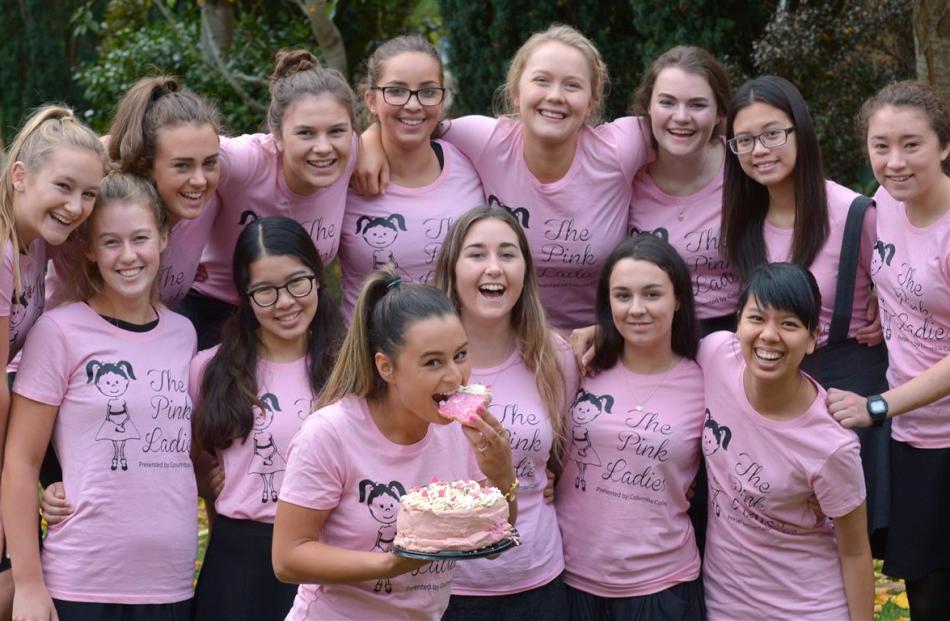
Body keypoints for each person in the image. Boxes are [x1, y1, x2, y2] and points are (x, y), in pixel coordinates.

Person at [356, 24, 652, 331]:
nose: (555, 96)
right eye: (541, 81)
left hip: (601, 340)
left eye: (572, 86)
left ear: (591, 101)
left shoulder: (621, 148)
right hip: (511, 339)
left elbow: (686, 130)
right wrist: (370, 137)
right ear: (515, 93)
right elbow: (414, 121)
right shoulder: (484, 141)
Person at [1, 172, 197, 621]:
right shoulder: (58, 332)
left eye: (141, 238)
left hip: (170, 582)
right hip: (81, 583)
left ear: (164, 238)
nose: (128, 256)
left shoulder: (184, 335)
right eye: (110, 242)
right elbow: (20, 462)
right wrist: (28, 583)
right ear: (88, 249)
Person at [271, 268, 518, 620]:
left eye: (461, 355)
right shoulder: (329, 434)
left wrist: (503, 477)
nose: (454, 376)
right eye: (433, 362)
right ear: (387, 368)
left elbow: (491, 546)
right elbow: (287, 558)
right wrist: (391, 563)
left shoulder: (458, 432)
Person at [722, 75, 889, 551]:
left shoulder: (856, 213)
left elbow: (904, 277)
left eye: (773, 133)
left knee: (852, 546)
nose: (760, 150)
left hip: (848, 395)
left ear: (801, 132)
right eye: (745, 140)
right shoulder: (741, 221)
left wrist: (885, 299)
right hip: (770, 398)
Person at [827, 80, 950, 620]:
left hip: (939, 436)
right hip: (910, 437)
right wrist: (876, 297)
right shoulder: (883, 202)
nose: (894, 162)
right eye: (881, 146)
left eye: (912, 144)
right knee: (923, 590)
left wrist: (880, 405)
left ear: (944, 146)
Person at [188, 216, 343, 620]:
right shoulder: (209, 370)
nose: (286, 302)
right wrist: (204, 475)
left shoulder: (349, 367)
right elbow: (185, 454)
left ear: (318, 277)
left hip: (329, 553)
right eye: (266, 291)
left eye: (297, 282)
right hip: (239, 562)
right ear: (245, 297)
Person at [699, 263, 872, 621]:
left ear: (813, 338)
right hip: (724, 605)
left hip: (808, 609)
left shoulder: (831, 446)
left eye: (789, 324)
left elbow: (855, 552)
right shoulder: (715, 356)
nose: (769, 335)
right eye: (757, 318)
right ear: (738, 322)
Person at [432, 206, 577, 619]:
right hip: (443, 584)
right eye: (477, 254)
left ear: (526, 270)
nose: (494, 268)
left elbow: (559, 458)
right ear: (452, 268)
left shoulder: (555, 356)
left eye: (508, 255)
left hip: (535, 579)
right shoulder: (423, 358)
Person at [555, 234, 705, 621]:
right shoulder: (578, 366)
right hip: (572, 576)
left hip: (662, 583)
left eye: (652, 294)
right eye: (622, 296)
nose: (636, 309)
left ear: (678, 299)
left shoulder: (706, 377)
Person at [0, 104, 107, 617]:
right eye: (63, 187)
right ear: (20, 176)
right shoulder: (3, 249)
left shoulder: (35, 240)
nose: (77, 205)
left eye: (89, 193)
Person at [180, 48, 358, 348]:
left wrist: (375, 147)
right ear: (276, 135)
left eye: (337, 131)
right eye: (306, 133)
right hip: (213, 314)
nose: (324, 147)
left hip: (298, 314)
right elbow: (166, 148)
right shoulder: (244, 162)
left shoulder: (351, 153)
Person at [46, 76, 223, 309]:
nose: (200, 180)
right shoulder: (95, 207)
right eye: (182, 165)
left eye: (210, 163)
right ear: (145, 164)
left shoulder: (210, 194)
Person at [339, 35, 484, 319]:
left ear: (442, 99)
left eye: (428, 92)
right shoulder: (345, 173)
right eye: (396, 91)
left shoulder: (472, 161)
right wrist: (365, 141)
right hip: (367, 354)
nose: (413, 105)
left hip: (456, 352)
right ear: (371, 99)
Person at [628, 46, 738, 335]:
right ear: (648, 107)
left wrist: (868, 276)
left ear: (719, 113)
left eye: (697, 105)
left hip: (733, 332)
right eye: (667, 102)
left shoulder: (744, 167)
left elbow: (811, 200)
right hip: (645, 330)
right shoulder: (624, 173)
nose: (681, 117)